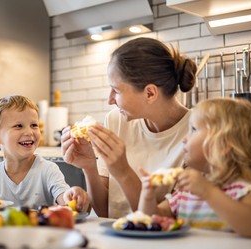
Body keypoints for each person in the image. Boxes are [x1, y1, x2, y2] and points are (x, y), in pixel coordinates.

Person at [61, 37, 197, 218]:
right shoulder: (117, 120)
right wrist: (89, 166)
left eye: (116, 91)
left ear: (150, 93)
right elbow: (104, 212)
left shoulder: (197, 136)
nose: (110, 100)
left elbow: (163, 219)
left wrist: (124, 172)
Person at [138, 98, 251, 238]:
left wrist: (207, 191)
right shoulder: (185, 192)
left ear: (223, 144)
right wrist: (147, 197)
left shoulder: (245, 190)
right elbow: (154, 219)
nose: (184, 139)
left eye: (193, 130)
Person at [0, 95, 90, 211]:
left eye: (34, 125)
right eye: (18, 126)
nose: (29, 132)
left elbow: (65, 201)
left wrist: (72, 197)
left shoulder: (48, 170)